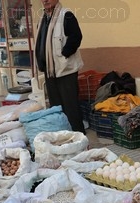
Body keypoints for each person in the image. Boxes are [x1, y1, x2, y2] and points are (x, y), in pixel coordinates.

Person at [35, 0, 85, 133]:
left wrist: (64, 54)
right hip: (50, 70)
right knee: (56, 108)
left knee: (71, 107)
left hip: (65, 70)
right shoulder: (43, 18)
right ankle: (62, 136)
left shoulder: (66, 15)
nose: (45, 1)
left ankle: (78, 136)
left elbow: (76, 37)